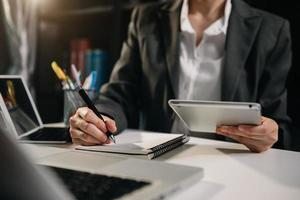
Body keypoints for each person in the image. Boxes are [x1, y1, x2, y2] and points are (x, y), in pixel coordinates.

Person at [69, 0, 292, 152]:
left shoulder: (272, 31)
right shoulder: (146, 18)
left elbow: (276, 124)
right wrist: (97, 120)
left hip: (233, 162)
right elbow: (120, 94)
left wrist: (269, 134)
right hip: (159, 158)